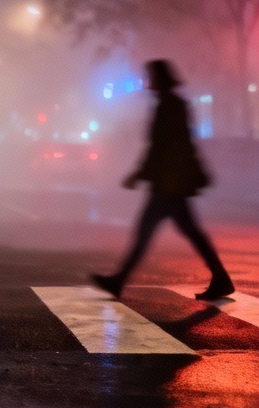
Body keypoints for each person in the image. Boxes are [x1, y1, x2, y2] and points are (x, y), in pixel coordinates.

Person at [91, 58, 234, 301]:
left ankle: (119, 280)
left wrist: (139, 174)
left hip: (168, 184)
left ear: (159, 79)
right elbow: (178, 144)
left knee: (148, 231)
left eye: (151, 77)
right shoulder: (173, 104)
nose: (149, 82)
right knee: (188, 232)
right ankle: (220, 278)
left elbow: (160, 147)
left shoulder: (168, 107)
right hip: (171, 182)